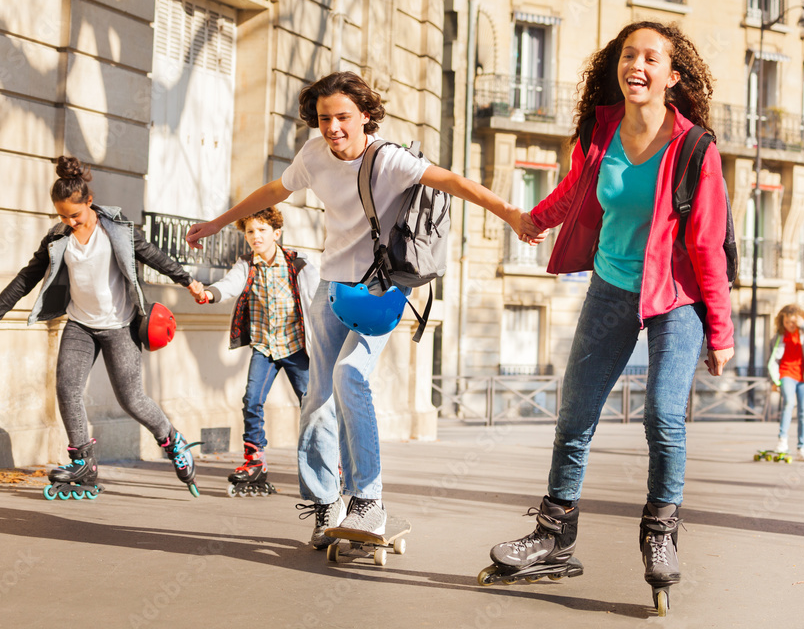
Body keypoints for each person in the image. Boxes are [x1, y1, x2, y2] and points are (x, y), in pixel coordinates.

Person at [186, 71, 542, 546]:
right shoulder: (314, 155)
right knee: (317, 397)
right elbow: (275, 191)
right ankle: (324, 504)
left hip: (380, 289)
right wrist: (218, 222)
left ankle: (367, 498)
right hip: (331, 288)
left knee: (350, 375)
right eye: (324, 118)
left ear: (366, 116)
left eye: (343, 118)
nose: (333, 128)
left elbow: (455, 182)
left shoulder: (388, 160)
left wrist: (514, 215)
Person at [480, 22, 734, 609]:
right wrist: (534, 220)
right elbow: (577, 189)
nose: (635, 66)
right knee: (575, 413)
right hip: (612, 286)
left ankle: (660, 535)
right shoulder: (604, 130)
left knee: (663, 417)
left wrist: (719, 333)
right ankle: (553, 534)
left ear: (673, 76)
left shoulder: (696, 148)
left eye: (651, 58)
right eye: (628, 55)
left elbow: (706, 245)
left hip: (676, 296)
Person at [0, 156, 208, 498]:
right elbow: (27, 277)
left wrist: (188, 281)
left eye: (75, 215)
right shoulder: (58, 237)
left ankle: (171, 439)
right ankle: (83, 461)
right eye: (63, 216)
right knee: (67, 388)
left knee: (132, 399)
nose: (70, 222)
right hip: (80, 324)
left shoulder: (116, 228)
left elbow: (152, 254)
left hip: (120, 325)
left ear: (89, 203)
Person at [198, 206, 318, 496]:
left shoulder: (297, 263)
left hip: (296, 347)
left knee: (312, 406)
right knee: (252, 401)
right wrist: (209, 294)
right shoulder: (246, 264)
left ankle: (328, 460)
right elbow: (230, 285)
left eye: (262, 230)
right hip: (264, 346)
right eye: (250, 231)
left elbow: (317, 298)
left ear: (276, 233)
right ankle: (255, 460)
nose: (256, 236)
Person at [766, 305, 804, 461]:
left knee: (803, 412)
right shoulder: (778, 338)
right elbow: (771, 360)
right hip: (786, 374)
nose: (789, 325)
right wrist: (773, 381)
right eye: (786, 322)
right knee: (788, 402)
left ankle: (802, 448)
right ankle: (782, 441)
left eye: (793, 322)